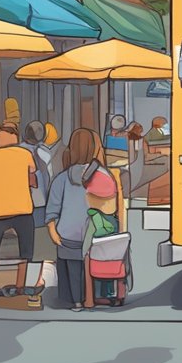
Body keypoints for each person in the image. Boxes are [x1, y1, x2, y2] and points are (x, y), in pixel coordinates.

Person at [46, 129, 110, 312]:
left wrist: (53, 230)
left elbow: (52, 209)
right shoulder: (101, 176)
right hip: (95, 233)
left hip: (66, 235)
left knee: (71, 266)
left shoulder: (61, 178)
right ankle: (96, 295)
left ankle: (76, 301)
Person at [0, 125, 40, 305]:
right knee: (24, 251)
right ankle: (19, 285)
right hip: (21, 208)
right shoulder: (24, 154)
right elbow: (33, 178)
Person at [83, 170, 126, 307]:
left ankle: (91, 298)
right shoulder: (115, 221)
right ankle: (115, 294)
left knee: (87, 254)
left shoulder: (92, 218)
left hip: (96, 264)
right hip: (115, 263)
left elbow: (86, 243)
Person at [23, 122, 52, 228]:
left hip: (31, 201)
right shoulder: (46, 153)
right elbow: (50, 176)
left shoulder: (18, 151)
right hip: (39, 201)